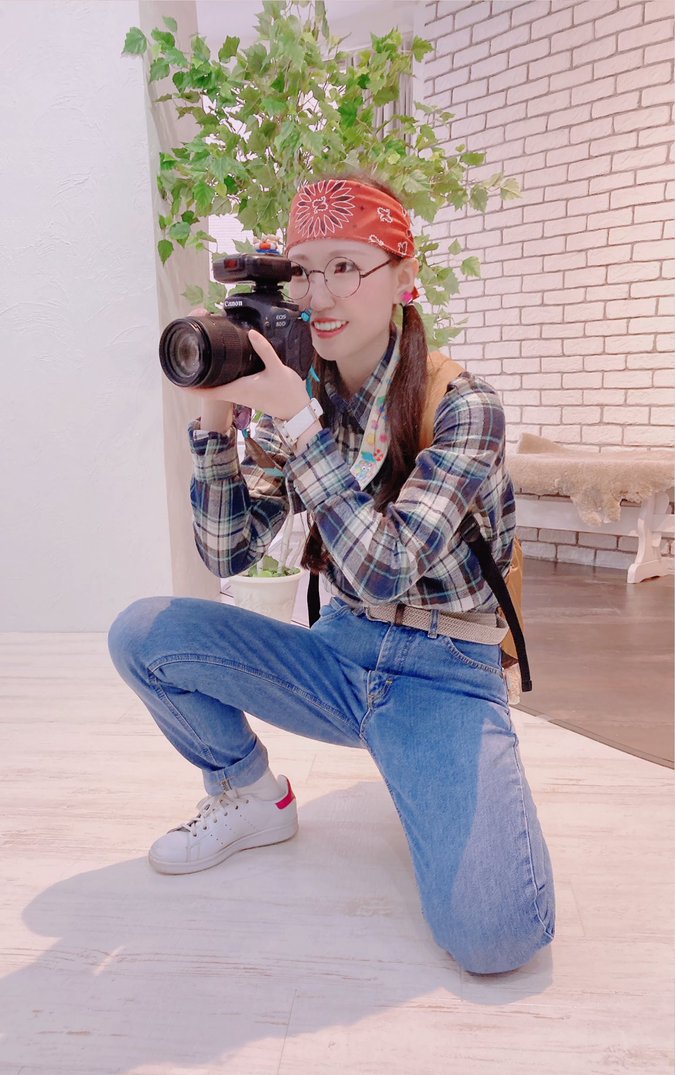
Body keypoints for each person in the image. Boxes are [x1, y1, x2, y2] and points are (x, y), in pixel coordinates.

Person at [108, 173, 555, 975]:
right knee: (145, 632)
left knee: (495, 938)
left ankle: (432, 762)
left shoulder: (463, 406)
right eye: (303, 271)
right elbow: (227, 554)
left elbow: (386, 569)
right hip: (340, 652)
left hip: (444, 672)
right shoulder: (298, 394)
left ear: (403, 275)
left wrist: (295, 421)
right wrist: (214, 420)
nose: (319, 294)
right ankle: (252, 793)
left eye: (346, 266)